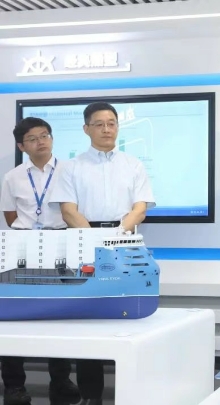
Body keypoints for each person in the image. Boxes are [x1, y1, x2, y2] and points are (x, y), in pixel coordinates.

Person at [48, 102, 155, 405]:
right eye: (99, 124)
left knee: (130, 318)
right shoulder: (71, 167)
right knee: (89, 321)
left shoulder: (133, 164)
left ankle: (133, 395)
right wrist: (97, 240)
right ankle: (91, 396)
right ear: (86, 129)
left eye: (112, 123)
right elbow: (69, 211)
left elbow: (140, 208)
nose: (107, 129)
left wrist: (116, 236)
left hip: (125, 242)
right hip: (83, 242)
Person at [0, 117, 80, 405]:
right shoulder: (13, 177)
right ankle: (14, 386)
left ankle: (61, 381)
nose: (40, 142)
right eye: (32, 139)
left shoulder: (70, 171)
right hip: (22, 245)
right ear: (22, 146)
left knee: (60, 314)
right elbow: (11, 216)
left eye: (44, 135)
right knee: (14, 315)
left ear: (52, 138)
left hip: (61, 242)